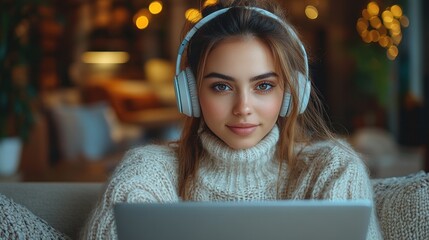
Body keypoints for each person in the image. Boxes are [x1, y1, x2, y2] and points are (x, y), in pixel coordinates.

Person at [83, 0, 382, 239]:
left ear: (291, 94)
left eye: (263, 85)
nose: (243, 107)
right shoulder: (146, 172)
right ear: (191, 94)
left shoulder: (333, 168)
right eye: (221, 86)